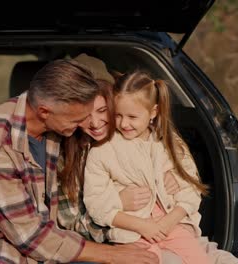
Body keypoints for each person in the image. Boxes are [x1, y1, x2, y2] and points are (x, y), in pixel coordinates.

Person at [0, 59, 158, 264]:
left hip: (26, 248)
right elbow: (30, 237)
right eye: (77, 118)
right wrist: (112, 255)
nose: (86, 124)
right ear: (45, 111)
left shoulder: (52, 125)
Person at [83, 71, 210, 264]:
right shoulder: (102, 151)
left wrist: (168, 222)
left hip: (172, 223)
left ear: (153, 112)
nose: (124, 123)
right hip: (130, 231)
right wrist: (142, 226)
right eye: (118, 115)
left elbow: (191, 190)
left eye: (132, 116)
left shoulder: (169, 142)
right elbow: (97, 204)